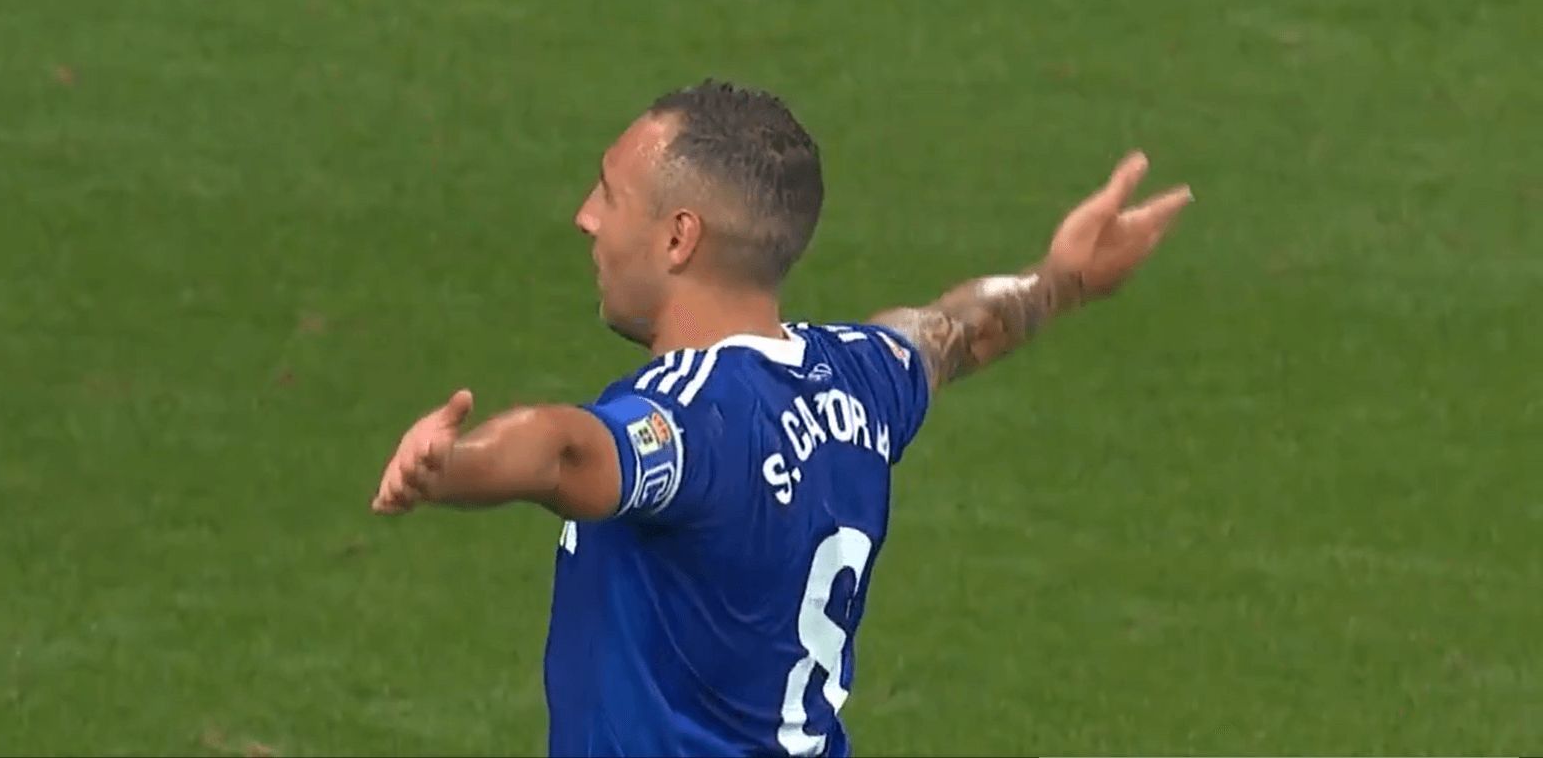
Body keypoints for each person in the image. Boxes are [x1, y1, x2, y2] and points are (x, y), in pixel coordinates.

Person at [369, 79, 1194, 757]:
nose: (587, 215)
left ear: (679, 238)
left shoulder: (695, 415)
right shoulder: (859, 378)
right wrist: (1059, 283)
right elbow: (958, 331)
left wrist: (451, 469)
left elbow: (561, 451)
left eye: (611, 196)